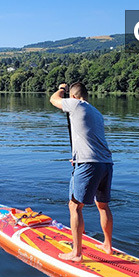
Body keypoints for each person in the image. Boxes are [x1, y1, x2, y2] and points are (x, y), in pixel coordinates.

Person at [50, 82, 114, 262]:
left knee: (74, 206)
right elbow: (88, 138)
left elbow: (53, 100)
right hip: (105, 163)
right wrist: (77, 158)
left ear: (74, 96)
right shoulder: (96, 113)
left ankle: (76, 254)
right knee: (102, 205)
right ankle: (107, 245)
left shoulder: (75, 104)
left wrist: (61, 89)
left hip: (89, 164)